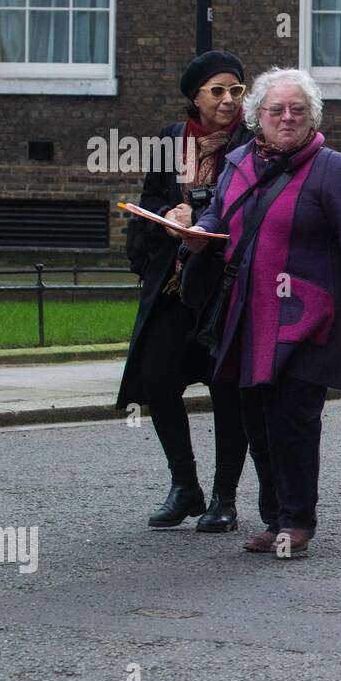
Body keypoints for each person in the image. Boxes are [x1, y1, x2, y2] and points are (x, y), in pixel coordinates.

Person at [184, 68, 341, 556]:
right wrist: (198, 229)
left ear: (311, 117)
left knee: (293, 420)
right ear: (257, 117)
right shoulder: (236, 162)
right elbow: (221, 215)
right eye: (276, 110)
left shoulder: (334, 169)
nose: (286, 118)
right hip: (247, 320)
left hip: (306, 321)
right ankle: (274, 516)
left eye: (297, 111)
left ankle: (297, 522)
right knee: (256, 421)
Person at [118, 50, 254, 532]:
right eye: (216, 91)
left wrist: (211, 222)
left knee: (227, 389)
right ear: (194, 96)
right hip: (176, 284)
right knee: (156, 379)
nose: (227, 100)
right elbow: (151, 195)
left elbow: (257, 208)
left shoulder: (252, 141)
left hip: (227, 287)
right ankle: (184, 486)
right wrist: (170, 219)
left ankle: (225, 498)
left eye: (235, 90)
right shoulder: (171, 139)